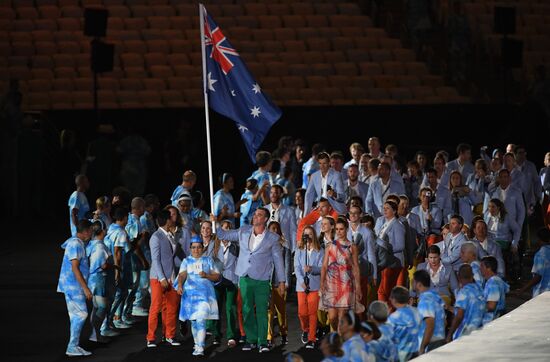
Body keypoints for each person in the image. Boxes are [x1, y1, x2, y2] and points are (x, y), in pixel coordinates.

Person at [215, 208, 286, 353]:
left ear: (265, 219)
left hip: (262, 279)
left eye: (259, 215)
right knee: (246, 310)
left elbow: (278, 261)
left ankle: (263, 342)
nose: (255, 217)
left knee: (261, 311)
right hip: (245, 277)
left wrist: (282, 281)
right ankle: (251, 339)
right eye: (255, 214)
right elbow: (223, 234)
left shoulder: (272, 238)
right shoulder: (243, 231)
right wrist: (216, 222)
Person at [176, 236, 221, 356]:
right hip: (190, 297)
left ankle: (200, 347)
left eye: (199, 247)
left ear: (203, 248)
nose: (196, 250)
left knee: (201, 319)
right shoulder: (186, 261)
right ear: (190, 248)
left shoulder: (208, 260)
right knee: (194, 321)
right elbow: (182, 275)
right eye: (194, 247)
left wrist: (207, 276)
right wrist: (180, 285)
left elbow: (217, 276)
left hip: (205, 296)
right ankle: (197, 344)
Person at [146, 209, 183, 348]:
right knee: (156, 307)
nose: (173, 219)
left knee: (172, 307)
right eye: (171, 217)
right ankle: (151, 338)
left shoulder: (170, 235)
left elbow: (173, 255)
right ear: (167, 220)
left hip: (171, 276)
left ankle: (170, 335)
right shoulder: (155, 237)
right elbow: (155, 260)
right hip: (158, 278)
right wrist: (162, 278)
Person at [57, 219, 93, 357]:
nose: (91, 233)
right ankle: (72, 346)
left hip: (72, 285)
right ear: (85, 232)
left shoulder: (75, 242)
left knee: (76, 315)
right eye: (90, 231)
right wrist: (86, 288)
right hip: (73, 286)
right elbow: (75, 267)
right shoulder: (76, 244)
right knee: (81, 314)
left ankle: (74, 345)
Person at [321, 218, 362, 331]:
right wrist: (322, 283)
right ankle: (337, 332)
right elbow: (324, 266)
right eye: (337, 229)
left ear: (346, 229)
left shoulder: (352, 247)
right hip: (331, 283)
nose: (339, 231)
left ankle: (339, 340)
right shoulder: (329, 246)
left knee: (342, 315)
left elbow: (355, 267)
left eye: (341, 229)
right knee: (332, 317)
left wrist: (358, 286)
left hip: (346, 282)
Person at [211, 220, 240, 347]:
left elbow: (239, 263)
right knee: (216, 308)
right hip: (217, 280)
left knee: (230, 308)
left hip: (231, 280)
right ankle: (216, 334)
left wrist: (238, 282)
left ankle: (231, 335)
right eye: (224, 228)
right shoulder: (214, 245)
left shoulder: (235, 246)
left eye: (229, 228)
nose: (226, 230)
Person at [87, 220, 117, 343]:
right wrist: (114, 267)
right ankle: (95, 334)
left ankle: (93, 334)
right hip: (99, 279)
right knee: (102, 307)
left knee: (96, 308)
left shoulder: (91, 244)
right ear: (103, 230)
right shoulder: (100, 246)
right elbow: (103, 265)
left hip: (92, 279)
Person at [295, 226, 324, 348]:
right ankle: (306, 329)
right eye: (305, 234)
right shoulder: (299, 250)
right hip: (302, 286)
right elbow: (296, 267)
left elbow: (322, 268)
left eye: (310, 234)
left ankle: (312, 338)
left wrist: (312, 269)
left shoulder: (320, 251)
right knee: (302, 312)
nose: (307, 237)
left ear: (314, 236)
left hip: (314, 285)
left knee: (312, 312)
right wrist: (302, 281)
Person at [104, 207, 131, 330]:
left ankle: (111, 321)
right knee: (120, 293)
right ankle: (109, 322)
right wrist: (117, 272)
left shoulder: (111, 227)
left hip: (109, 264)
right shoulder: (121, 232)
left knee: (117, 293)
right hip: (116, 266)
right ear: (125, 217)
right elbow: (118, 252)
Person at [124, 198, 150, 324]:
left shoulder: (130, 219)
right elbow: (135, 245)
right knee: (134, 285)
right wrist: (143, 260)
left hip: (130, 259)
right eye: (143, 207)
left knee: (133, 285)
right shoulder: (135, 222)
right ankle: (128, 311)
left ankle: (127, 312)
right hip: (133, 259)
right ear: (140, 207)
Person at [374, 201, 406, 302]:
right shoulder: (385, 224)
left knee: (385, 291)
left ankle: (388, 314)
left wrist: (385, 248)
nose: (385, 210)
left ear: (395, 210)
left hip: (394, 262)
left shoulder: (397, 225)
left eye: (387, 208)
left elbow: (401, 245)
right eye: (384, 208)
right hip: (386, 261)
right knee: (384, 291)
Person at [348, 205, 378, 309]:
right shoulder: (344, 230)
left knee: (360, 301)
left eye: (355, 213)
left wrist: (374, 275)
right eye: (351, 213)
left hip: (361, 271)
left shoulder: (367, 232)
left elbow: (371, 254)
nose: (352, 215)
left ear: (360, 215)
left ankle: (361, 324)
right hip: (345, 272)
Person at [446, 264, 485, 342]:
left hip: (466, 334)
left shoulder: (463, 293)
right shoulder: (479, 290)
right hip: (480, 330)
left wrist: (449, 335)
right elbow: (469, 309)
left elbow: (459, 316)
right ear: (472, 276)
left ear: (459, 277)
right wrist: (449, 308)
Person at [266, 221, 290, 347]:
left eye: (276, 229)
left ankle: (283, 333)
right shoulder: (264, 247)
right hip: (267, 283)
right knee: (269, 311)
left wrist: (285, 283)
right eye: (271, 229)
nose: (274, 231)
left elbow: (287, 266)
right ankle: (269, 337)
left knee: (281, 311)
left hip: (279, 283)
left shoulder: (284, 248)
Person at [413, 270, 446, 354]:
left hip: (431, 344)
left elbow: (430, 325)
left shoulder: (425, 300)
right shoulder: (436, 296)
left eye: (413, 281)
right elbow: (445, 322)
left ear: (419, 284)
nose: (411, 284)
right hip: (440, 340)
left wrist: (422, 347)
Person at [387, 286, 422, 362]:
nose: (390, 299)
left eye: (391, 297)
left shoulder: (393, 318)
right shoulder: (417, 311)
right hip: (417, 351)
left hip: (401, 354)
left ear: (394, 300)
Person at [515, 228, 550, 297]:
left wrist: (522, 289)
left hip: (542, 292)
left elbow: (538, 277)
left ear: (539, 240)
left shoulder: (540, 254)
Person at [266, 184, 297, 252]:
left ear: (281, 194)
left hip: (284, 246)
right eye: (271, 192)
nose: (273, 195)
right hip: (267, 248)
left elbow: (293, 231)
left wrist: (294, 249)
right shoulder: (264, 210)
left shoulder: (289, 211)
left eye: (276, 192)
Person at [480, 256, 509, 325]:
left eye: (482, 266)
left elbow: (491, 306)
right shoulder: (497, 279)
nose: (480, 268)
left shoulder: (493, 283)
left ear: (489, 268)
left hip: (491, 321)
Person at [540, 152, 550, 228]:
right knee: (545, 216)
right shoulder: (542, 170)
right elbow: (539, 182)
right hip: (544, 196)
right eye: (548, 159)